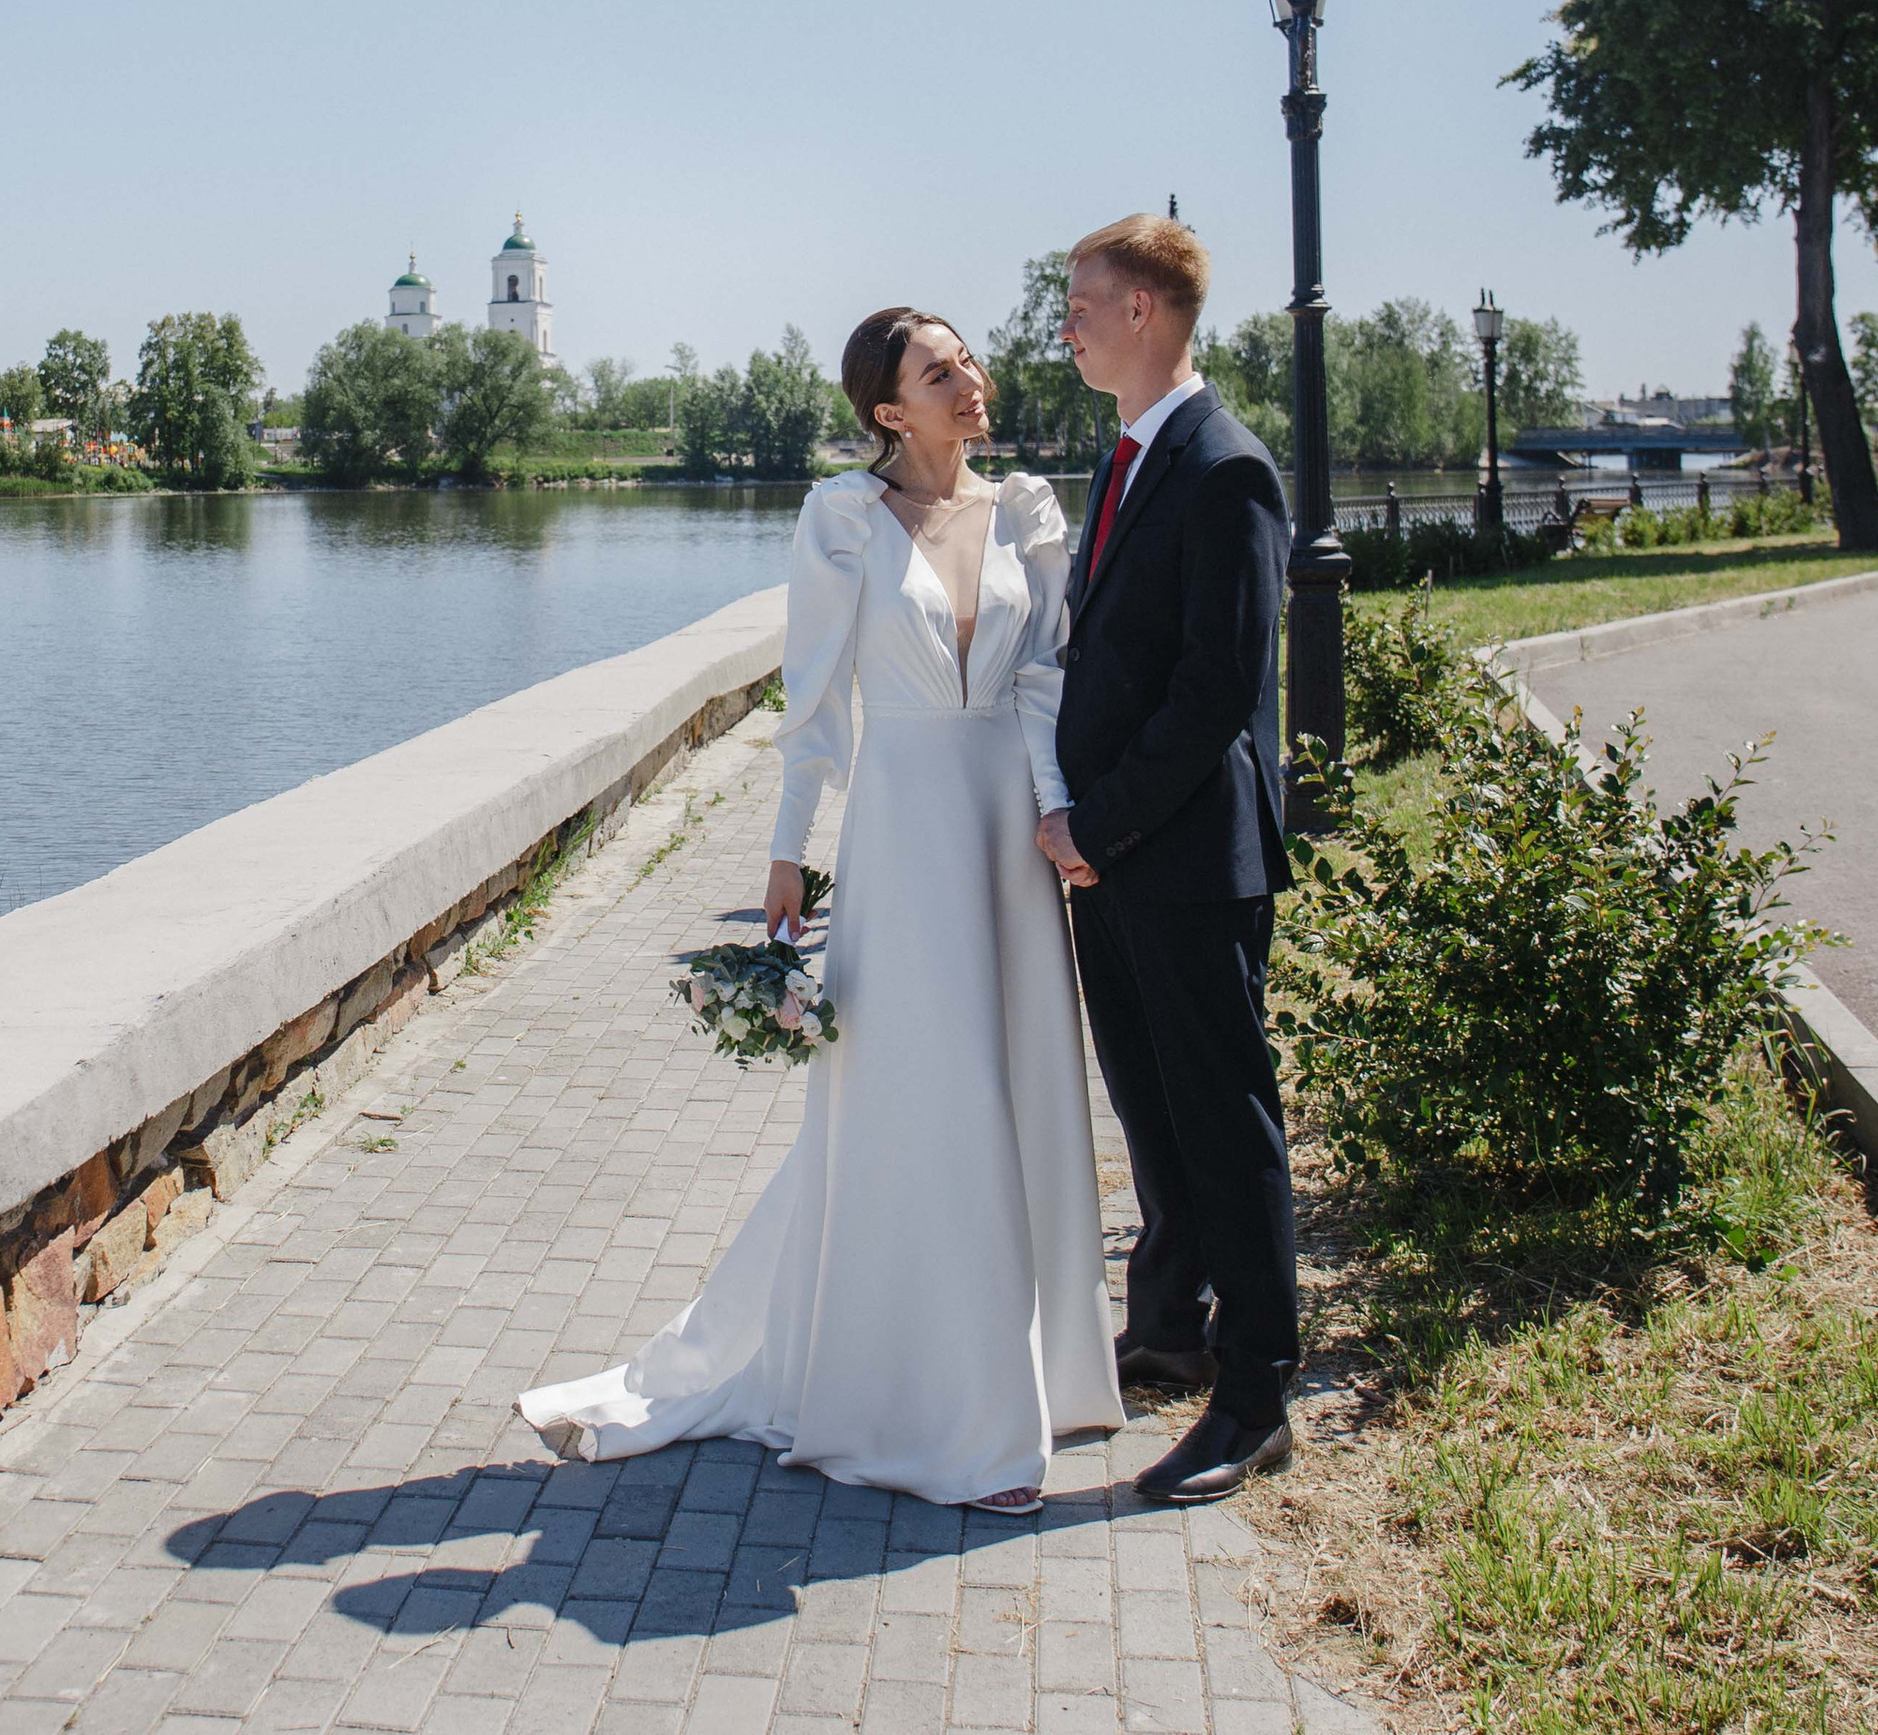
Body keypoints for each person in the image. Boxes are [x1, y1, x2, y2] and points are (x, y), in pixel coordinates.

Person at [517, 307, 1123, 1510]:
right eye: (936, 369)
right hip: (900, 831)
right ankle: (950, 1418)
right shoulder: (842, 520)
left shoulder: (1028, 514)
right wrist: (787, 852)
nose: (968, 378)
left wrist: (1058, 815)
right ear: (888, 410)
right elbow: (814, 699)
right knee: (924, 1098)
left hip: (1005, 828)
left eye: (965, 360)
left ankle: (1040, 1379)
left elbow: (1048, 678)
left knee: (1019, 1085)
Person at [1037, 213, 1300, 1505]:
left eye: (1082, 302)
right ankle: (1169, 1331)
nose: (1068, 323)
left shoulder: (1225, 467)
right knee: (1153, 1117)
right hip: (1125, 861)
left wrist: (1097, 825)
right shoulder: (1130, 456)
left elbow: (1215, 694)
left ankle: (1256, 1400)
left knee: (1223, 1124)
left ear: (1144, 310)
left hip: (1188, 862)